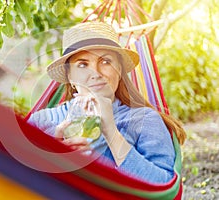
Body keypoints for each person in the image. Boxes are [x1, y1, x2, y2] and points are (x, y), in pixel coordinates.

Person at [27, 21, 186, 184]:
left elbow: (164, 187)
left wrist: (110, 132)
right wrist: (50, 152)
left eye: (105, 62)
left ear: (119, 70)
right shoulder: (41, 122)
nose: (95, 73)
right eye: (82, 64)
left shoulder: (143, 119)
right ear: (70, 77)